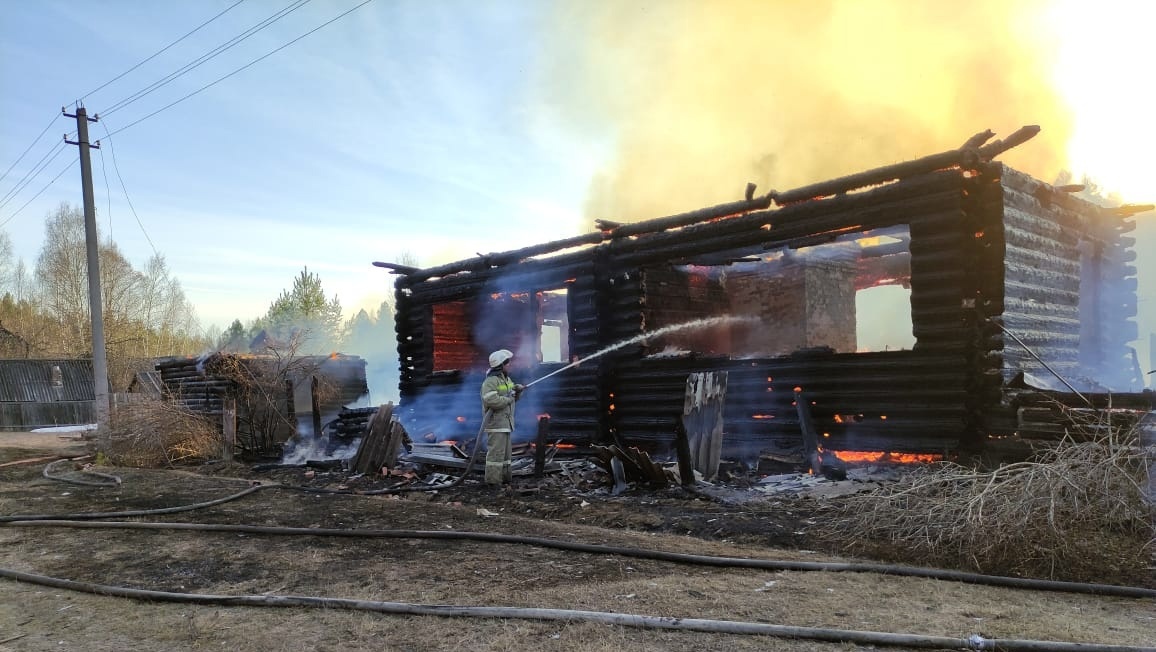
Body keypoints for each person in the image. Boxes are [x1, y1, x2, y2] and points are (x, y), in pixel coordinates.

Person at [480, 349, 525, 486]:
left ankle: (505, 479)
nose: (509, 365)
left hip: (506, 423)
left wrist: (518, 391)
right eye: (507, 363)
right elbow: (491, 400)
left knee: (506, 455)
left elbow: (513, 397)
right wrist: (509, 398)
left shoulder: (506, 379)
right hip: (496, 424)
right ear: (500, 365)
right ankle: (493, 482)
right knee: (496, 455)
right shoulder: (490, 381)